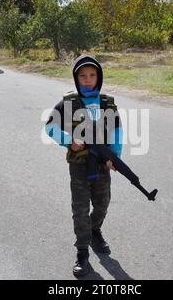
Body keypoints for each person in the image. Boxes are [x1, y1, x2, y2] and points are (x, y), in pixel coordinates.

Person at [45, 55, 123, 277]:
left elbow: (117, 132)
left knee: (102, 203)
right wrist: (68, 140)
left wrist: (114, 157)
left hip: (102, 165)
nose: (88, 80)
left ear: (98, 77)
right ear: (76, 78)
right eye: (83, 76)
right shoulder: (67, 103)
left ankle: (95, 230)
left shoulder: (107, 103)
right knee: (79, 210)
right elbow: (49, 127)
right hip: (79, 166)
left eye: (92, 75)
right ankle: (82, 252)